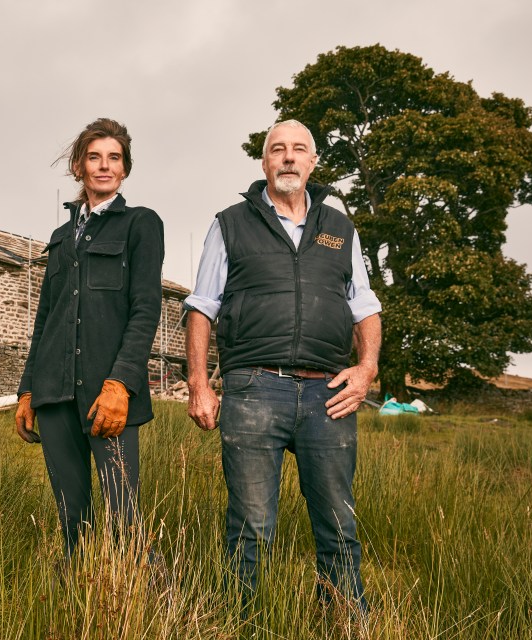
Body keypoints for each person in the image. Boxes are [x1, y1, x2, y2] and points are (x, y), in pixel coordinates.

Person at [184, 119, 382, 613]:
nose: (288, 157)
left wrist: (366, 369)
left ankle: (345, 618)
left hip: (328, 395)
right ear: (265, 162)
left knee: (338, 521)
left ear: (313, 163)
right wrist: (198, 383)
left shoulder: (340, 228)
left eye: (299, 150)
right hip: (253, 389)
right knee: (252, 525)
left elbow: (365, 306)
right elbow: (202, 305)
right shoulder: (230, 222)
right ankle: (240, 619)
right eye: (278, 149)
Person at [15, 117, 164, 557]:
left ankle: (157, 608)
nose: (104, 166)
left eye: (114, 158)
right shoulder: (61, 238)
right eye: (94, 157)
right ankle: (79, 606)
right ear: (78, 166)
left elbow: (145, 310)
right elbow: (44, 320)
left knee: (124, 518)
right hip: (54, 393)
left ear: (125, 169)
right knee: (72, 518)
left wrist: (121, 383)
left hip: (109, 396)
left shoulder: (141, 224)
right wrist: (27, 389)